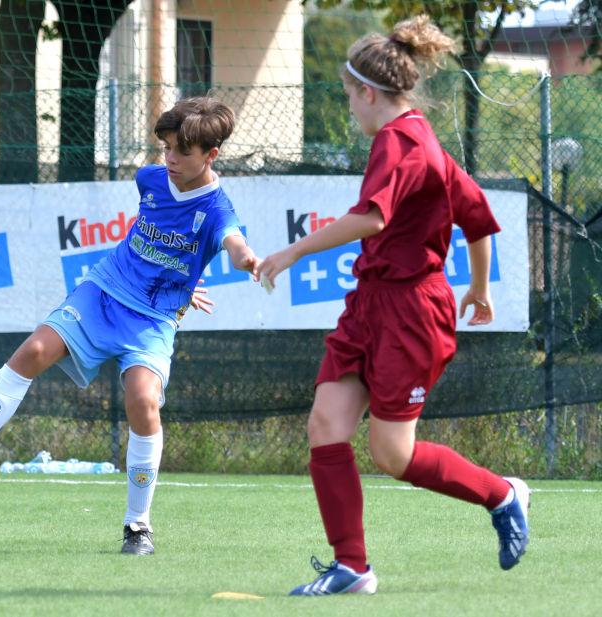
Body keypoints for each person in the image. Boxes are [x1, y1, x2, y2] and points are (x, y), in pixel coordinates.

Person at [257, 15, 529, 595]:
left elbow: (373, 217)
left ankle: (501, 493)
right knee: (326, 424)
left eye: (349, 95)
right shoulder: (418, 134)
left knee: (392, 454)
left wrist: (293, 252)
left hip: (410, 312)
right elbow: (478, 220)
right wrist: (478, 286)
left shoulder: (400, 140)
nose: (350, 107)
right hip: (371, 304)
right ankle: (351, 567)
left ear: (367, 92)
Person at [0, 96, 259, 556]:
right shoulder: (151, 179)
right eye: (166, 148)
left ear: (211, 155)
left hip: (152, 319)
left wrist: (244, 260)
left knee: (142, 401)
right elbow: (147, 236)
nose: (170, 159)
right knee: (34, 351)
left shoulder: (217, 208)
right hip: (104, 291)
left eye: (182, 151)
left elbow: (232, 242)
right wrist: (179, 276)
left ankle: (138, 526)